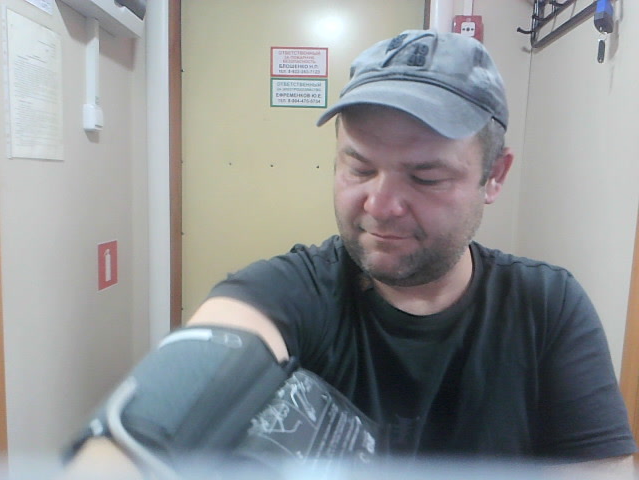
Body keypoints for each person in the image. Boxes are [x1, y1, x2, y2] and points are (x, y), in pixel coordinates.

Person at [64, 30, 637, 478]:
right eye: (359, 168)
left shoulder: (547, 307)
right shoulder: (291, 290)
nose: (380, 205)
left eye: (426, 177)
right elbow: (176, 398)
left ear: (495, 175)